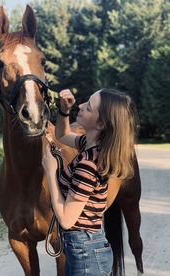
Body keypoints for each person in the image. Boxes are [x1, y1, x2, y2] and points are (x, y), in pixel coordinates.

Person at [42, 88, 138, 275]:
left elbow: (66, 220)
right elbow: (61, 135)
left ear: (101, 123)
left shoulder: (88, 165)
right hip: (83, 248)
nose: (81, 105)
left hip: (85, 252)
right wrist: (64, 111)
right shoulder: (90, 145)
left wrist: (51, 172)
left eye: (89, 107)